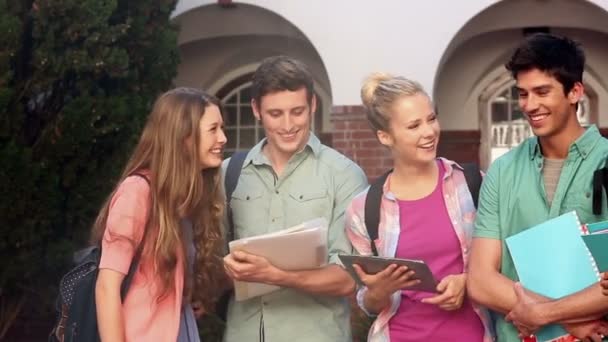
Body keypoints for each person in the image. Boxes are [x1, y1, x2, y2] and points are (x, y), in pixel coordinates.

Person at [468, 33, 608, 342]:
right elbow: (480, 279)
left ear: (575, 92)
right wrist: (568, 320)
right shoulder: (502, 171)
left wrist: (545, 314)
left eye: (542, 92)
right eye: (522, 94)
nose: (530, 105)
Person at [221, 55, 368, 342]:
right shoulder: (230, 174)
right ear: (256, 110)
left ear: (313, 105)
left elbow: (348, 278)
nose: (288, 125)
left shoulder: (345, 175)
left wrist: (275, 275)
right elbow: (210, 257)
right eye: (275, 114)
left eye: (297, 111)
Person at [344, 73, 494, 342]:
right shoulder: (364, 209)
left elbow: (501, 260)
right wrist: (378, 292)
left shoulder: (472, 184)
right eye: (414, 126)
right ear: (385, 136)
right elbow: (366, 304)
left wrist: (467, 281)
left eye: (431, 119)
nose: (429, 132)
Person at [94, 87, 227, 341]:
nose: (222, 138)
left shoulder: (184, 198)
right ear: (183, 137)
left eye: (221, 128)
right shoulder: (137, 192)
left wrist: (185, 296)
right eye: (213, 129)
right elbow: (106, 288)